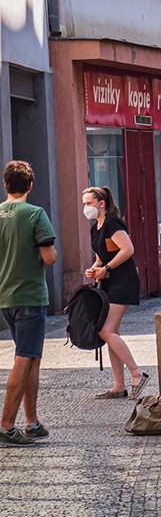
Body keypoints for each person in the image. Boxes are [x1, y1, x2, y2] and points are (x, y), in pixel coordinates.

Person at [0, 161, 57, 446]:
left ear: (5, 184)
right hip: (30, 296)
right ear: (30, 186)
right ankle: (6, 424)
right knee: (24, 358)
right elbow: (49, 258)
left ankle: (32, 421)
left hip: (5, 297)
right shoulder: (35, 213)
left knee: (31, 357)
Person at [82, 186, 148, 400]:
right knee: (113, 334)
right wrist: (95, 267)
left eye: (89, 203)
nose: (86, 208)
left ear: (101, 204)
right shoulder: (96, 227)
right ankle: (118, 385)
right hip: (110, 284)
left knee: (105, 330)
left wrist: (107, 269)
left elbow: (128, 249)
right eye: (84, 204)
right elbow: (102, 256)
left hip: (123, 282)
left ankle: (137, 373)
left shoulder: (112, 222)